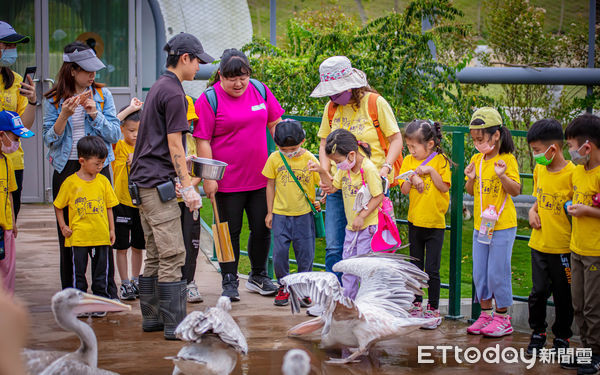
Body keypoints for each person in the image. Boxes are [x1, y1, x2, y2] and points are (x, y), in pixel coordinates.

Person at [129, 33, 210, 340]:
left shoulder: (158, 86)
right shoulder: (175, 93)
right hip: (155, 183)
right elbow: (175, 142)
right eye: (198, 60)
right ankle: (176, 325)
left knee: (154, 252)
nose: (200, 66)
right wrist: (188, 187)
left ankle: (152, 319)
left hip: (144, 180)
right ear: (185, 58)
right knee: (174, 254)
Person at [194, 48, 284, 301]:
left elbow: (275, 123)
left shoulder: (260, 89)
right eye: (232, 78)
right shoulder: (209, 99)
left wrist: (287, 151)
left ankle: (258, 276)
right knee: (227, 231)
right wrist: (209, 177)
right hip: (226, 181)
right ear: (220, 75)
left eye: (243, 77)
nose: (238, 83)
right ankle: (229, 279)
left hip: (261, 178)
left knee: (262, 228)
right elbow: (202, 140)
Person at [310, 56, 402, 283]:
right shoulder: (331, 108)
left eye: (337, 91)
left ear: (351, 85)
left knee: (369, 245)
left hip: (370, 185)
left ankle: (368, 296)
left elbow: (396, 138)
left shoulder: (374, 103)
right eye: (330, 93)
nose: (333, 97)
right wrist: (325, 173)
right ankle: (334, 294)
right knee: (334, 244)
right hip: (339, 184)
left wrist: (386, 168)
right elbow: (324, 143)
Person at [43, 41, 121, 298]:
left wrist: (94, 114)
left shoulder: (102, 96)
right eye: (87, 70)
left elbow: (114, 134)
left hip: (99, 167)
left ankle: (105, 291)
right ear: (72, 70)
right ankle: (72, 293)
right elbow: (48, 139)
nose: (92, 75)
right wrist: (64, 115)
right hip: (67, 168)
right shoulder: (55, 99)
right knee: (69, 234)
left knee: (101, 228)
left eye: (95, 70)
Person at [464, 107, 520, 337]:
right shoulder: (477, 159)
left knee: (498, 272)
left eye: (481, 138)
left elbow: (516, 190)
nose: (477, 143)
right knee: (481, 272)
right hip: (481, 226)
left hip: (502, 225)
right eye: (474, 139)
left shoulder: (507, 159)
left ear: (496, 135)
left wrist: (502, 176)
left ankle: (503, 318)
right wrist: (470, 178)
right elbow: (470, 191)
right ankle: (485, 315)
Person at [309, 129, 384, 300]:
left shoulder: (368, 169)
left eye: (337, 161)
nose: (337, 164)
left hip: (367, 228)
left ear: (351, 154)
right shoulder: (345, 169)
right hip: (351, 229)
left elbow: (378, 196)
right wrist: (321, 171)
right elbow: (333, 187)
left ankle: (366, 304)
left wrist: (362, 216)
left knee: (365, 269)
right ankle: (348, 302)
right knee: (348, 268)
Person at [53, 136, 119, 317]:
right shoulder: (70, 183)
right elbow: (58, 206)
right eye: (97, 164)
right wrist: (63, 226)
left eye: (102, 164)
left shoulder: (103, 181)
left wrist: (112, 230)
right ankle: (78, 304)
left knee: (101, 274)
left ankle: (100, 302)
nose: (100, 168)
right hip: (79, 238)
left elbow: (109, 208)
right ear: (82, 161)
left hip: (100, 237)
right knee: (78, 274)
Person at [525, 119, 574, 359]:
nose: (535, 157)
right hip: (539, 245)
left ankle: (562, 336)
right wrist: (533, 212)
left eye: (536, 151)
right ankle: (538, 332)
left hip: (564, 248)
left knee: (564, 295)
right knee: (538, 292)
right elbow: (538, 199)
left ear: (552, 149)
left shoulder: (573, 174)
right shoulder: (539, 170)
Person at [398, 119, 452, 330]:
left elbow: (444, 187)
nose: (410, 150)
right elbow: (403, 189)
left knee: (432, 269)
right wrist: (412, 177)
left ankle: (433, 307)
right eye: (408, 146)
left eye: (414, 146)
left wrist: (429, 171)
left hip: (435, 224)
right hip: (415, 222)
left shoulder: (441, 161)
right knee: (415, 267)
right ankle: (416, 303)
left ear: (429, 144)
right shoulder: (408, 161)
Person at [262, 119, 320, 306]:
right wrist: (270, 212)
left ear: (302, 142)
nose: (288, 153)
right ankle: (284, 285)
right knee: (279, 253)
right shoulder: (274, 159)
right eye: (284, 150)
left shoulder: (310, 158)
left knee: (306, 254)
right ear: (277, 145)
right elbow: (270, 185)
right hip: (280, 214)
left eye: (292, 149)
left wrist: (321, 199)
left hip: (303, 214)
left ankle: (303, 288)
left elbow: (324, 182)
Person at [564, 114, 600, 374]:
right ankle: (586, 348)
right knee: (578, 304)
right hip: (576, 247)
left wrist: (586, 211)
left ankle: (596, 354)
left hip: (595, 253)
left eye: (571, 146)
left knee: (593, 307)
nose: (570, 152)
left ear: (587, 147)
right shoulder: (577, 171)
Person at [0, 21, 38, 220]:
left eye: (15, 46)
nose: (13, 51)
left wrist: (32, 101)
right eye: (7, 45)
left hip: (12, 162)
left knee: (10, 218)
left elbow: (24, 126)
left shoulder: (15, 80)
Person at [112, 99, 144, 301]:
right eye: (131, 130)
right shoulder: (117, 145)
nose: (135, 135)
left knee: (138, 245)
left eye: (139, 131)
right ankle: (124, 283)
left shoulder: (146, 147)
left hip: (141, 203)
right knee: (122, 246)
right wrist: (131, 109)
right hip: (121, 202)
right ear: (123, 129)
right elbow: (113, 123)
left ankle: (136, 279)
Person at [0, 110, 33, 294]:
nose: (17, 143)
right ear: (1, 134)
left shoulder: (7, 163)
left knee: (7, 271)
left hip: (5, 229)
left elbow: (10, 194)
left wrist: (12, 222)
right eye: (15, 137)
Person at [178, 95, 202, 303]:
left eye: (189, 121)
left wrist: (188, 187)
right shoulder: (163, 140)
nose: (186, 124)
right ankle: (171, 282)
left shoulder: (192, 141)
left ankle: (189, 281)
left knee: (191, 240)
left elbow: (199, 172)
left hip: (190, 199)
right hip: (170, 198)